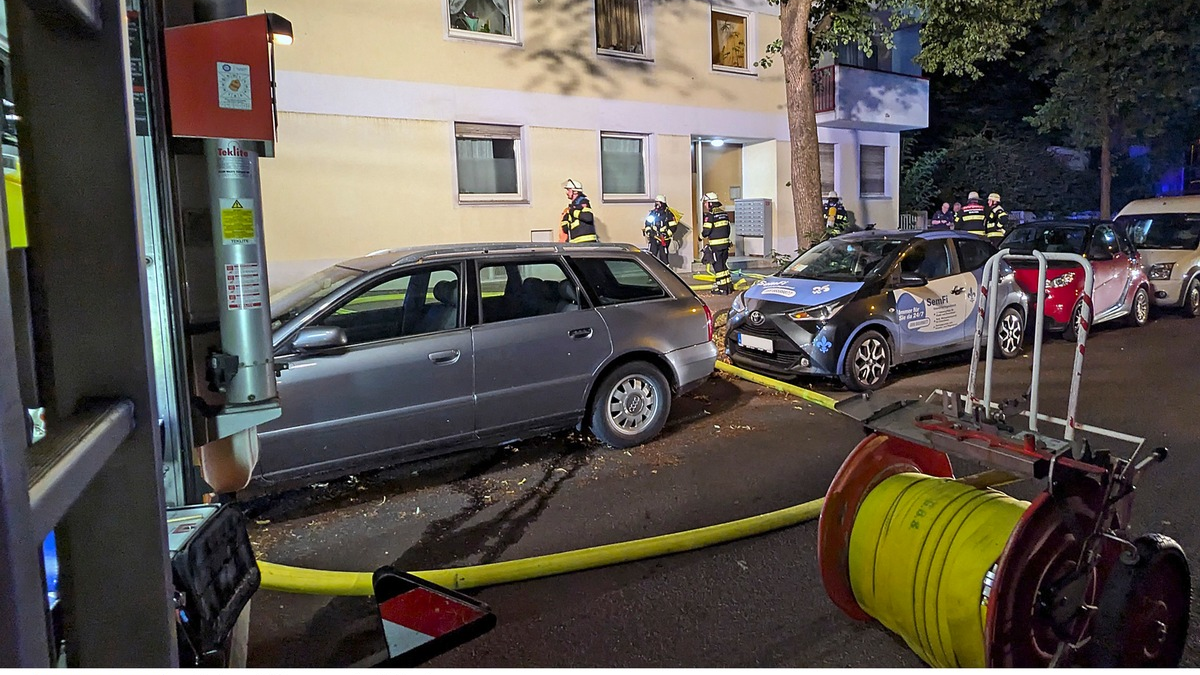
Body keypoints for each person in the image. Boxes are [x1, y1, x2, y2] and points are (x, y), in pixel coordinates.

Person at [701, 192, 733, 294]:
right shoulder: (724, 214)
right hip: (725, 244)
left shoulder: (710, 216)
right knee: (723, 266)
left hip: (716, 246)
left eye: (706, 203)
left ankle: (722, 289)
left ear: (710, 203)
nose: (705, 205)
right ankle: (728, 286)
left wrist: (699, 237)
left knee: (718, 267)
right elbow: (728, 228)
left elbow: (706, 231)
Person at [560, 179, 599, 243]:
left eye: (569, 190)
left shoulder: (583, 202)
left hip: (587, 243)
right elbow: (565, 229)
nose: (567, 193)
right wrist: (565, 219)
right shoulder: (572, 207)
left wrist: (572, 212)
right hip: (576, 243)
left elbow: (588, 217)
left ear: (575, 192)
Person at [643, 195, 678, 266]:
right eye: (656, 202)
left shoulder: (668, 214)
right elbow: (647, 224)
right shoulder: (652, 213)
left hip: (663, 239)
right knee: (651, 256)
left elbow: (673, 227)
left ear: (662, 203)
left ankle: (665, 272)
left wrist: (666, 234)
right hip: (654, 237)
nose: (656, 204)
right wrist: (649, 231)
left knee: (664, 257)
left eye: (658, 203)